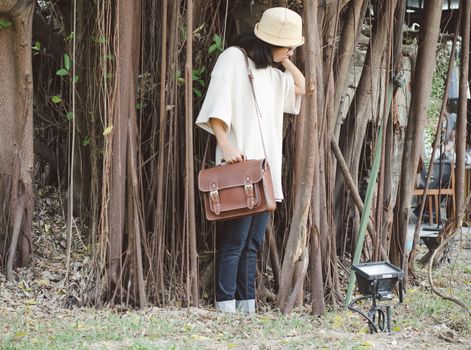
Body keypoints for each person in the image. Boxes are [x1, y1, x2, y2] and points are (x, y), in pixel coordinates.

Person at [195, 7, 305, 313]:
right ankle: (225, 306)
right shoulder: (232, 58)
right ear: (269, 41)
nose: (292, 50)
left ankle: (247, 307)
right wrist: (225, 144)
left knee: (253, 243)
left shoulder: (272, 74)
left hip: (265, 172)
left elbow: (303, 87)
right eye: (288, 45)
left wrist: (285, 60)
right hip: (239, 168)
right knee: (234, 242)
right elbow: (216, 102)